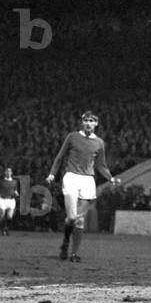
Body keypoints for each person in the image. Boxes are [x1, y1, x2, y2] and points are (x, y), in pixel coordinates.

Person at [45, 111, 120, 261]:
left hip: (88, 181)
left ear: (96, 124)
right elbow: (60, 157)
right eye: (86, 120)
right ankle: (65, 242)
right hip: (71, 177)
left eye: (92, 120)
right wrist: (52, 173)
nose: (88, 123)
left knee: (80, 220)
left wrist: (110, 178)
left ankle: (74, 253)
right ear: (82, 122)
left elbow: (101, 165)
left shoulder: (99, 143)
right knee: (72, 217)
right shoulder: (72, 137)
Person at [0, 168, 20, 236]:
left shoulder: (15, 181)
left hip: (11, 200)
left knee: (10, 217)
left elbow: (15, 190)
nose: (8, 172)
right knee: (2, 216)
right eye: (7, 171)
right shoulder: (1, 181)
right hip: (3, 199)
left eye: (9, 171)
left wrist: (17, 193)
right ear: (5, 173)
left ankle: (7, 228)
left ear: (11, 173)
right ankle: (2, 230)